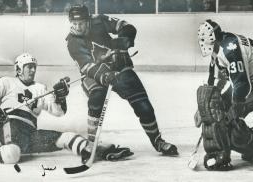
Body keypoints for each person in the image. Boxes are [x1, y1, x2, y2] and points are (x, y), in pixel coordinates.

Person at [0, 53, 133, 164]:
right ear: (19, 69)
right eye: (28, 67)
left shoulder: (41, 88)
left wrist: (61, 96)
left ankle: (94, 150)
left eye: (34, 67)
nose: (32, 70)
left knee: (67, 137)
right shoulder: (6, 82)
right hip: (10, 124)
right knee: (11, 154)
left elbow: (58, 112)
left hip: (31, 132)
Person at [66, 5, 178, 163]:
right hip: (94, 75)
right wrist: (104, 76)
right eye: (74, 23)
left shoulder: (99, 21)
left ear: (88, 20)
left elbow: (127, 27)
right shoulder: (72, 42)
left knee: (143, 105)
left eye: (81, 23)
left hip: (118, 67)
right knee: (96, 97)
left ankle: (158, 141)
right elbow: (87, 67)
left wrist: (121, 44)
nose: (77, 27)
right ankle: (92, 144)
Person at [196, 19, 253, 170]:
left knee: (226, 118)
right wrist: (204, 106)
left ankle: (248, 145)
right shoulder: (219, 46)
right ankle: (249, 144)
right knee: (215, 108)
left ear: (210, 38)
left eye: (202, 39)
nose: (201, 43)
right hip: (249, 81)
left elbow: (241, 83)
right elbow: (214, 80)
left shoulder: (230, 48)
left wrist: (234, 109)